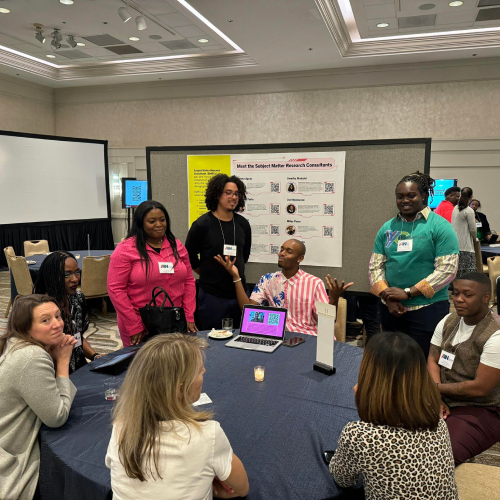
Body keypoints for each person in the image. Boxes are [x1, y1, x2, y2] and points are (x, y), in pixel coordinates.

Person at [105, 334, 249, 500]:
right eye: (199, 370)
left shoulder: (120, 427)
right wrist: (214, 488)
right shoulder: (209, 435)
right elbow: (241, 488)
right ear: (180, 389)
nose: (204, 371)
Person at [329, 332, 458, 500]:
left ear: (370, 377)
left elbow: (343, 479)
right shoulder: (436, 420)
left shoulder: (359, 435)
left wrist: (364, 401)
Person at [369, 171, 459, 358]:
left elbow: (447, 270)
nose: (405, 200)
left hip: (427, 310)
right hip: (391, 309)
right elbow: (375, 266)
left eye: (411, 195)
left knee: (422, 361)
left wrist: (409, 292)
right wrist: (389, 298)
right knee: (392, 360)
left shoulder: (440, 226)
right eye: (400, 196)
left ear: (424, 196)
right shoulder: (387, 228)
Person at [0, 295, 77, 500]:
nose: (57, 325)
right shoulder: (32, 356)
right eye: (45, 320)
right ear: (26, 327)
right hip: (10, 464)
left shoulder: (14, 342)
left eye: (58, 316)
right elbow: (56, 417)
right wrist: (62, 362)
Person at [428, 272, 500, 466]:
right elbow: (433, 360)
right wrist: (437, 397)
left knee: (441, 456)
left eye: (467, 295)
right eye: (455, 293)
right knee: (397, 430)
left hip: (482, 408)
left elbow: (480, 388)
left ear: (486, 298)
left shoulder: (496, 334)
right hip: (442, 397)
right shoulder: (448, 321)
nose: (458, 299)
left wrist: (434, 389)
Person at [215, 239, 352, 335]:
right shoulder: (268, 279)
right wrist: (236, 277)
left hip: (309, 338)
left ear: (300, 258)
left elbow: (325, 323)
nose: (281, 253)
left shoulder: (314, 283)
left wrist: (333, 300)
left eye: (288, 251)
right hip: (277, 336)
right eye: (281, 250)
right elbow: (248, 310)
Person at [108, 201, 196, 347]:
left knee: (175, 365)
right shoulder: (125, 249)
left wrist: (189, 314)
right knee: (144, 367)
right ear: (140, 223)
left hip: (174, 321)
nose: (159, 224)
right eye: (151, 221)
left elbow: (189, 281)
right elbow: (115, 289)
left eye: (162, 220)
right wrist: (133, 324)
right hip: (140, 322)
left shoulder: (177, 246)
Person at [185, 174, 251, 331]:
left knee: (240, 339)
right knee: (212, 342)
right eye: (228, 193)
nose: (233, 197)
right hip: (211, 297)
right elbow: (189, 256)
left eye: (236, 193)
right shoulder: (202, 224)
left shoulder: (242, 224)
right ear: (217, 194)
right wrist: (207, 272)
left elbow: (245, 255)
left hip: (239, 294)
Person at [34, 251, 102, 372]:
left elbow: (78, 337)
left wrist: (94, 356)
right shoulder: (40, 308)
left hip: (80, 367)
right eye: (67, 274)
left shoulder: (77, 298)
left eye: (77, 272)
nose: (75, 279)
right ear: (52, 277)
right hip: (53, 372)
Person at [451, 187, 477, 278]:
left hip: (454, 246)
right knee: (467, 276)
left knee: (457, 275)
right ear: (472, 196)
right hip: (466, 247)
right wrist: (475, 238)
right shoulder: (469, 210)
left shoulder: (455, 208)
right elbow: (473, 229)